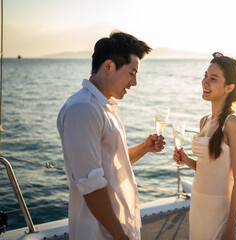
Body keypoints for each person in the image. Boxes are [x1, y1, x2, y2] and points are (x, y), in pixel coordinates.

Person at [57, 30, 165, 240]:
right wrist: (120, 237)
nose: (134, 82)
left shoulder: (102, 107)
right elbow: (91, 186)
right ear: (108, 67)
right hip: (100, 233)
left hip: (117, 230)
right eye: (131, 73)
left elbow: (113, 164)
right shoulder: (83, 109)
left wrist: (145, 147)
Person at [173, 52, 236, 240]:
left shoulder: (233, 124)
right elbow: (207, 169)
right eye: (205, 76)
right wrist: (187, 160)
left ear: (229, 87)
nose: (205, 82)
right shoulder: (204, 121)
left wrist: (231, 230)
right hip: (198, 203)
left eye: (213, 79)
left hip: (218, 210)